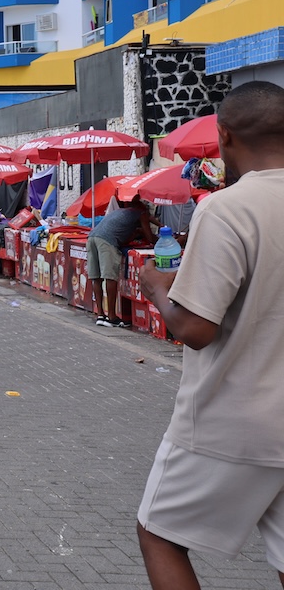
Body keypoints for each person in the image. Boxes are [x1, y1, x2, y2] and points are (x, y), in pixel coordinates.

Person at [134, 82, 284, 587]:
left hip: (233, 419)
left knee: (159, 533)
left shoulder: (228, 208)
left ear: (224, 138)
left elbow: (196, 327)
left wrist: (157, 288)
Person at [87, 194, 155, 327]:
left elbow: (122, 233)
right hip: (106, 241)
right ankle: (112, 317)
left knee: (96, 277)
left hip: (92, 237)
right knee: (110, 277)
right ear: (144, 209)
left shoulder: (122, 212)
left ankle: (100, 314)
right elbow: (150, 238)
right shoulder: (141, 213)